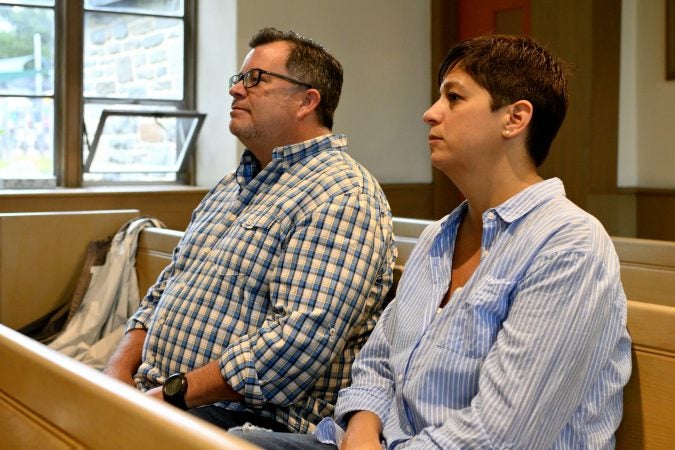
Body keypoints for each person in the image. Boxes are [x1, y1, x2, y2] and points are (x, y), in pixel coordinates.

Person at [233, 34, 632, 449]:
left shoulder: (568, 246)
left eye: (454, 99)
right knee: (218, 442)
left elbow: (500, 435)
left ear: (514, 119)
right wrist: (363, 429)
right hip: (373, 442)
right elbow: (377, 362)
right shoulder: (438, 236)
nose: (429, 114)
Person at [103, 27, 396, 434]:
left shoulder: (342, 194)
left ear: (307, 101)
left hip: (249, 419)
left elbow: (296, 343)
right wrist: (115, 374)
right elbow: (166, 289)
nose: (236, 91)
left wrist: (166, 396)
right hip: (162, 395)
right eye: (238, 79)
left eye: (255, 79)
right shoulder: (232, 185)